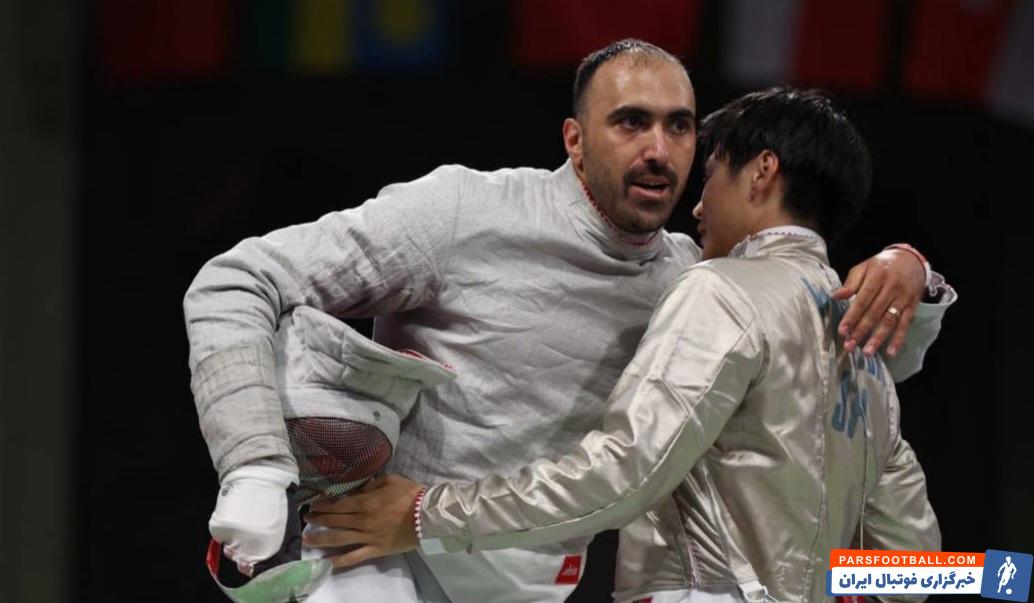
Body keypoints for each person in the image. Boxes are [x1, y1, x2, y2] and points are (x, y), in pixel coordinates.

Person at [184, 39, 953, 603]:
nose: (662, 154)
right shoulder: (463, 212)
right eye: (631, 122)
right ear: (574, 141)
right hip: (376, 560)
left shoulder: (704, 287)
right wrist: (255, 463)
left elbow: (631, 469)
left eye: (682, 128)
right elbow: (237, 278)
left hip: (506, 575)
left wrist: (911, 270)